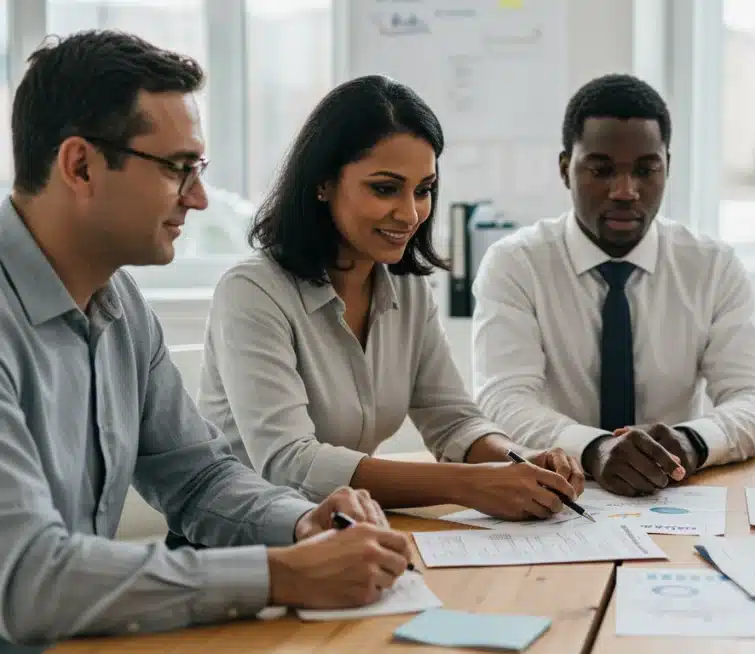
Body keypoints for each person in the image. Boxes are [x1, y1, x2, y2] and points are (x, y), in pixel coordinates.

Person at [0, 31, 416, 650]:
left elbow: (196, 477)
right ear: (80, 165)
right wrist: (281, 576)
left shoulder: (122, 308)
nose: (197, 198)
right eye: (177, 169)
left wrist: (302, 522)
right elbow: (29, 583)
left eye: (199, 170)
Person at [197, 75, 584, 521]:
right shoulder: (252, 292)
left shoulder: (407, 288)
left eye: (423, 190)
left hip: (345, 532)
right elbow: (290, 464)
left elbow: (454, 421)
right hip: (246, 543)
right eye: (385, 188)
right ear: (322, 182)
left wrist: (518, 459)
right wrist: (474, 485)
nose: (411, 212)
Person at [471, 73, 755, 497]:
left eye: (645, 170)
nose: (625, 191)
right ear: (565, 169)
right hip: (558, 493)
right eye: (601, 170)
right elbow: (502, 403)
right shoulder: (516, 264)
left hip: (674, 492)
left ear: (667, 167)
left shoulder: (713, 266)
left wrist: (691, 442)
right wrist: (594, 448)